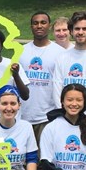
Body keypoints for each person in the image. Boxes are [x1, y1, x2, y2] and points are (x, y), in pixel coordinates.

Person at [19, 11, 66, 143]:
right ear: (31, 27)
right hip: (22, 116)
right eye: (35, 23)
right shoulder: (21, 52)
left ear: (49, 26)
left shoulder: (60, 53)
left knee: (44, 160)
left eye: (43, 22)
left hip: (47, 116)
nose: (39, 26)